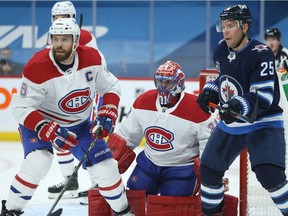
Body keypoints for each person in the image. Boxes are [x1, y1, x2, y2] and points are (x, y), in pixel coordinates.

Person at [0, 18, 133, 216]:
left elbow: (110, 86)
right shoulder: (36, 66)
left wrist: (109, 111)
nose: (58, 44)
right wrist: (45, 127)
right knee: (39, 161)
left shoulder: (92, 59)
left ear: (76, 41)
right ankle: (10, 211)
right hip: (41, 122)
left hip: (79, 125)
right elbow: (21, 108)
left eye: (64, 39)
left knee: (106, 168)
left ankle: (123, 212)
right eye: (55, 39)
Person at [196, 4, 288, 215]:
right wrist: (210, 90)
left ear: (245, 27)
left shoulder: (261, 53)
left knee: (270, 175)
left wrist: (236, 104)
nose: (225, 30)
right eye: (223, 26)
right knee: (209, 171)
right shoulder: (220, 49)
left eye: (230, 26)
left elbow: (263, 96)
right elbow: (224, 78)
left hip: (263, 123)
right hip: (232, 124)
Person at [110, 61, 216, 196]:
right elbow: (126, 136)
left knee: (172, 208)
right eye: (160, 81)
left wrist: (211, 174)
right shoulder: (144, 101)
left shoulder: (197, 109)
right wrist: (109, 165)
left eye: (168, 82)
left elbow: (209, 145)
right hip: (149, 165)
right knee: (136, 200)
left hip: (182, 169)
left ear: (179, 83)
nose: (163, 86)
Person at [47, 0, 106, 202]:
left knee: (85, 136)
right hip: (62, 96)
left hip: (83, 94)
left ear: (72, 17)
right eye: (56, 18)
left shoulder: (85, 37)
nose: (60, 21)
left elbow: (99, 67)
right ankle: (69, 179)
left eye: (64, 17)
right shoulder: (52, 38)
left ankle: (98, 181)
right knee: (59, 136)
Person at [264, 28, 288, 101]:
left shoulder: (285, 55)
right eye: (268, 40)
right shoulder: (263, 55)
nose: (270, 43)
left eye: (273, 39)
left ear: (279, 40)